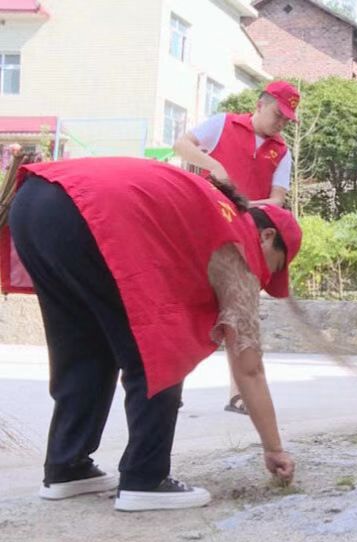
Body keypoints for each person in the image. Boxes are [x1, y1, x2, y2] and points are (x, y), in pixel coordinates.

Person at [3, 156, 302, 511]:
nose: (265, 281)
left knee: (85, 347)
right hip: (86, 212)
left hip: (35, 203)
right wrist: (274, 448)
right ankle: (145, 478)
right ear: (267, 238)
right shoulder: (238, 243)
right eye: (276, 267)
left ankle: (67, 467)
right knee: (162, 344)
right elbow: (249, 367)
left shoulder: (212, 211)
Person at [173, 80, 300, 414]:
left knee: (241, 315)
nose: (281, 123)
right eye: (278, 114)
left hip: (245, 239)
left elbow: (276, 201)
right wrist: (213, 167)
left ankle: (239, 393)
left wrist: (241, 204)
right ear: (261, 104)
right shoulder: (223, 124)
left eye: (287, 119)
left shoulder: (281, 151)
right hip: (201, 230)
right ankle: (171, 386)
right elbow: (181, 145)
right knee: (184, 308)